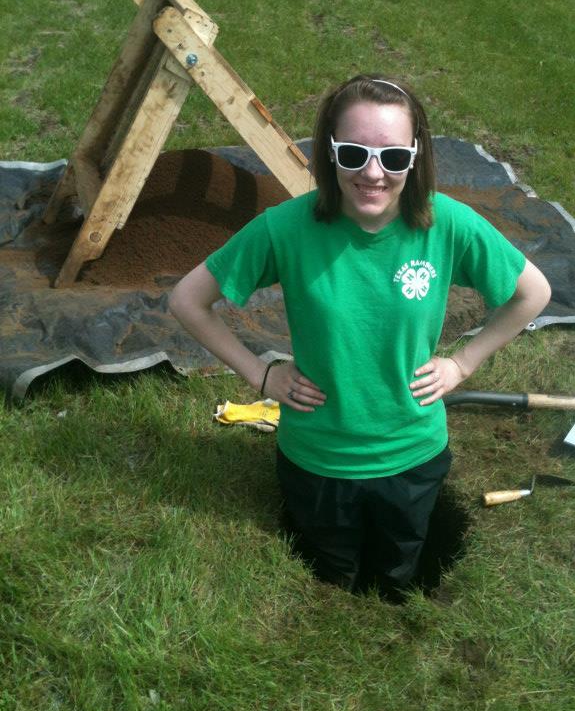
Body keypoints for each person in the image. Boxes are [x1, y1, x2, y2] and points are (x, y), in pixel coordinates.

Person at [169, 74, 551, 598]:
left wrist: (464, 363)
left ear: (416, 156)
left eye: (393, 157)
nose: (373, 173)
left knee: (399, 567)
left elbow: (533, 292)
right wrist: (260, 373)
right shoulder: (286, 228)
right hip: (316, 457)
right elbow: (188, 300)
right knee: (331, 570)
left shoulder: (447, 225)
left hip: (413, 453)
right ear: (329, 151)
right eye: (353, 153)